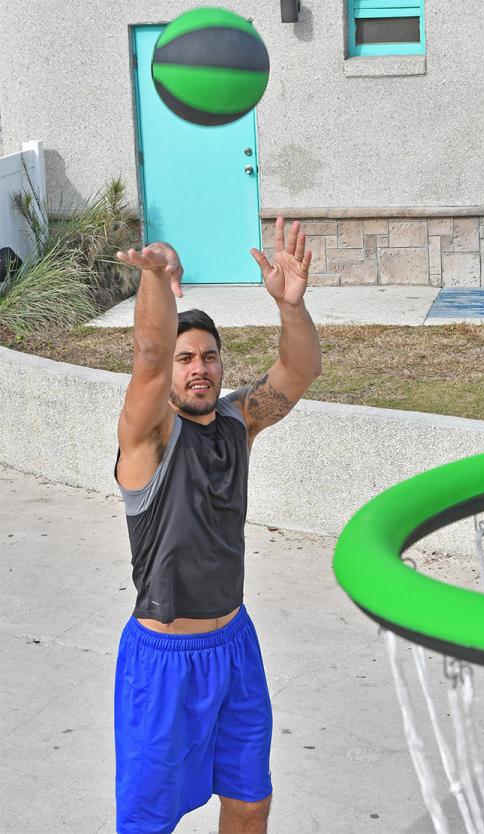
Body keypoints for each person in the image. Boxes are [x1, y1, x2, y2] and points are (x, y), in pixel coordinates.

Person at [112, 217, 322, 834]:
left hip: (234, 647)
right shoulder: (147, 440)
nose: (198, 368)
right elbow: (147, 361)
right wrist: (156, 277)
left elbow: (300, 371)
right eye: (186, 359)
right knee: (150, 823)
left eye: (208, 356)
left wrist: (292, 306)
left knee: (250, 802)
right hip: (163, 661)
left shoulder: (237, 423)